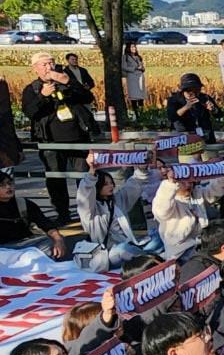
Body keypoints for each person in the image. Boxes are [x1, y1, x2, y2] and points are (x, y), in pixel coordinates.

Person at [22, 51, 94, 225]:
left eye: (51, 63)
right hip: (50, 141)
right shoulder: (32, 89)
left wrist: (68, 82)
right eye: (44, 64)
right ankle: (62, 213)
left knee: (83, 176)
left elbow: (87, 97)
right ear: (35, 69)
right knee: (56, 179)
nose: (49, 67)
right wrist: (43, 96)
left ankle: (87, 210)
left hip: (77, 138)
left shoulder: (65, 82)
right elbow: (30, 112)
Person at [75, 152, 161, 271]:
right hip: (106, 254)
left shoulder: (117, 200)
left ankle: (145, 258)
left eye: (111, 183)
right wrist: (92, 171)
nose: (111, 186)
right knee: (122, 249)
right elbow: (84, 194)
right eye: (106, 184)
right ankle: (150, 259)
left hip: (130, 246)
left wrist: (142, 168)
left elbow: (134, 185)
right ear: (97, 186)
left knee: (158, 234)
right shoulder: (90, 210)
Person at [0, 169, 66, 258]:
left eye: (9, 183)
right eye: (2, 185)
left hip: (25, 244)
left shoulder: (23, 203)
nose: (8, 187)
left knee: (50, 241)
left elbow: (46, 224)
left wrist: (58, 240)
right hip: (3, 249)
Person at [165, 73, 219, 144]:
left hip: (205, 134)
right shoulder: (174, 100)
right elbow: (172, 117)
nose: (193, 93)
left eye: (196, 90)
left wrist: (213, 109)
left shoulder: (205, 97)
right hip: (183, 135)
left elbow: (219, 114)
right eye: (189, 91)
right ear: (183, 90)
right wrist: (186, 107)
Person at [123, 42, 146, 121]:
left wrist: (142, 68)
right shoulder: (125, 57)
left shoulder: (138, 57)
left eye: (135, 47)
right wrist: (135, 68)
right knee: (134, 96)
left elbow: (143, 67)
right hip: (132, 78)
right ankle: (136, 114)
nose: (134, 49)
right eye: (132, 47)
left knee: (141, 96)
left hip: (140, 77)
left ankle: (142, 114)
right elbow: (124, 67)